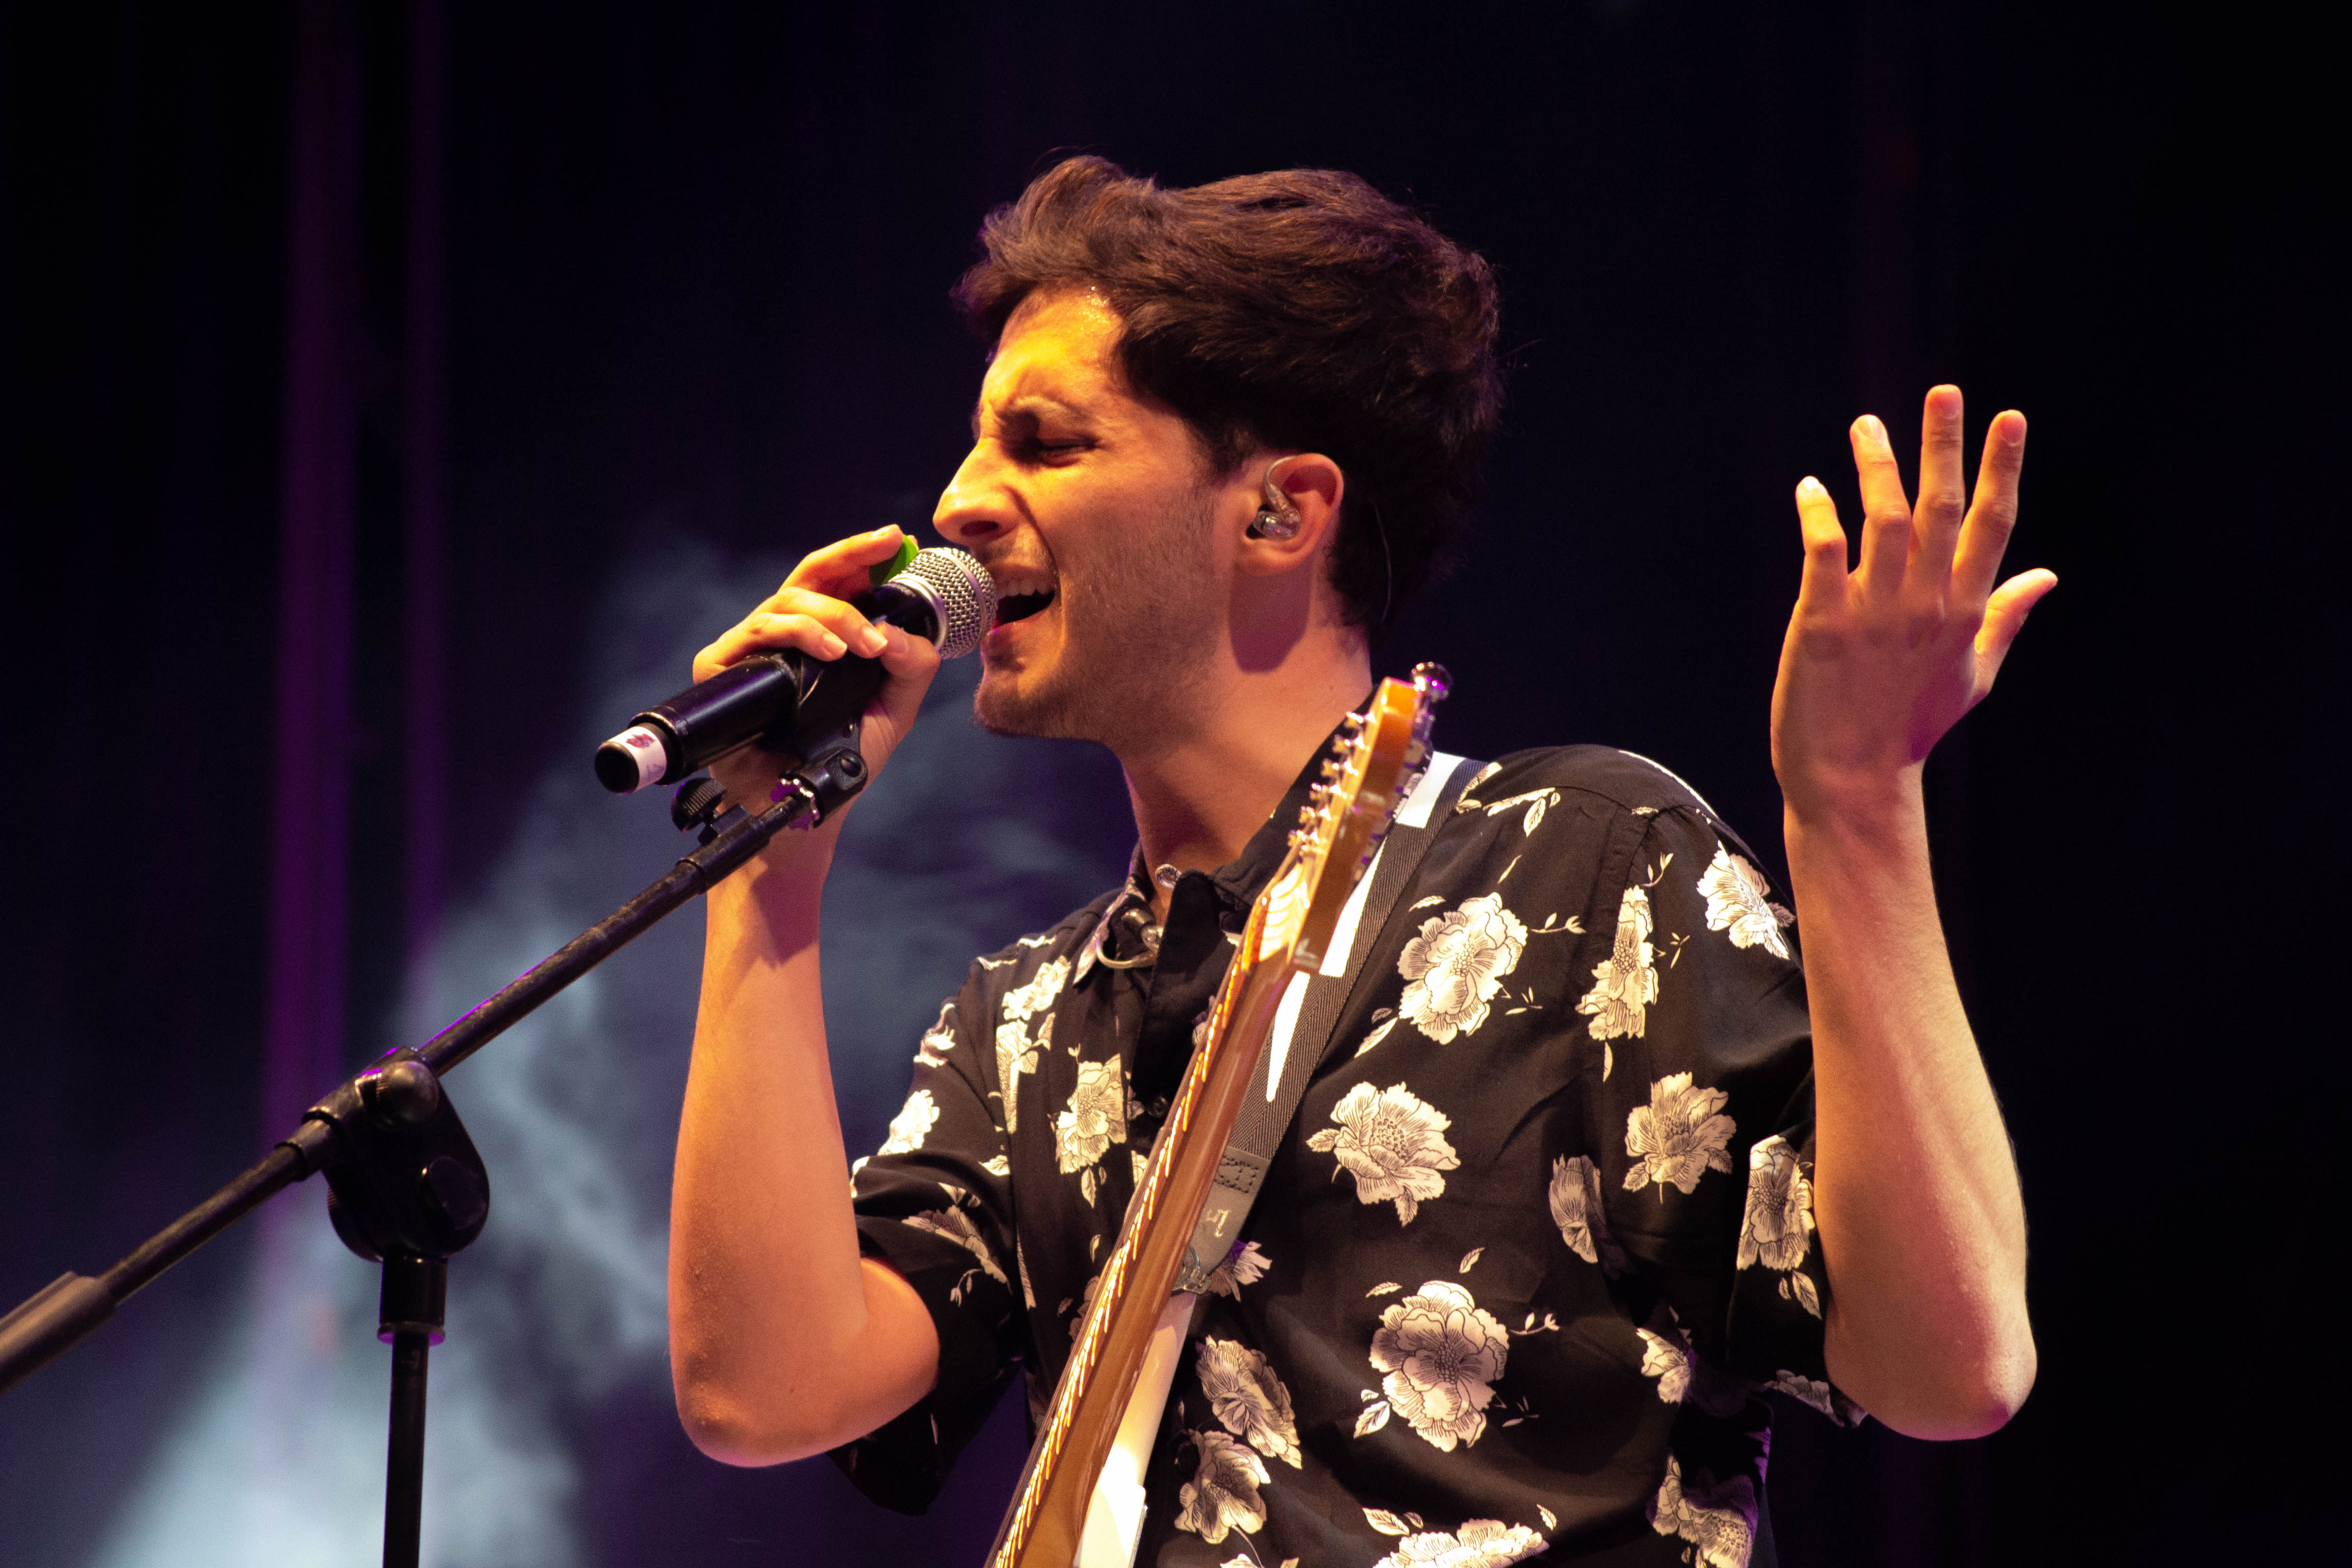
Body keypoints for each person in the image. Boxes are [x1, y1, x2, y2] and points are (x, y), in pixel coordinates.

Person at [664, 157, 2044, 1567]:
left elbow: (1950, 1369)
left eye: (1046, 443)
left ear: (1280, 512)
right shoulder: (1026, 1020)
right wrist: (769, 861)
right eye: (975, 445)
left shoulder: (1584, 867)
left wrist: (1856, 806)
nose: (959, 502)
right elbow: (767, 1392)